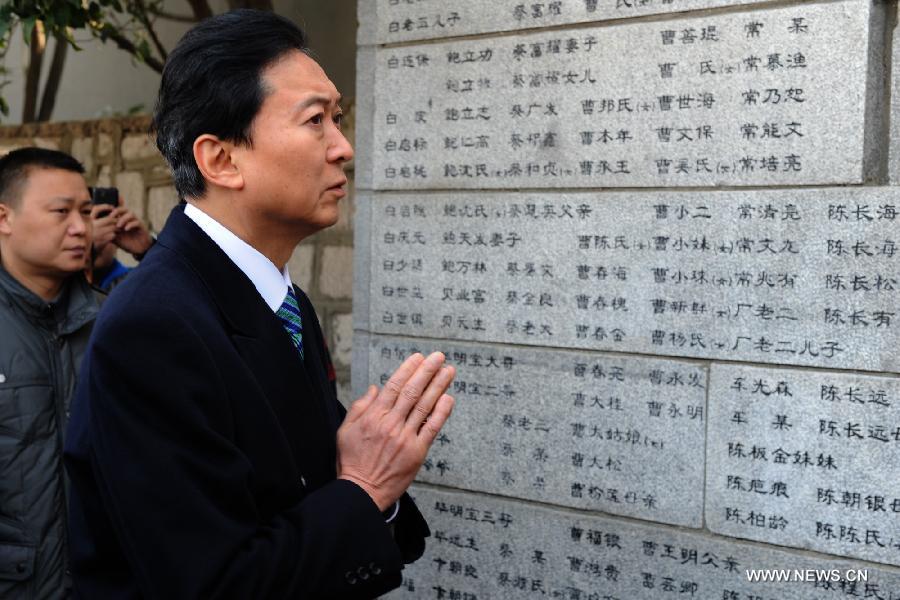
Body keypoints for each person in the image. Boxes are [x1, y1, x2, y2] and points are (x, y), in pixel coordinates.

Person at [65, 9, 456, 599]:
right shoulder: (152, 326)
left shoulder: (281, 300)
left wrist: (371, 487)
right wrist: (366, 488)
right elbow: (212, 583)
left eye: (339, 118)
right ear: (221, 159)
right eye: (315, 120)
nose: (343, 148)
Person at [0, 147, 99, 599]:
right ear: (4, 217)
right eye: (61, 212)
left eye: (85, 211)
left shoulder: (116, 324)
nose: (80, 228)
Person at [89, 198, 155, 291]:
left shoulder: (135, 281)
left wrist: (149, 251)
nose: (100, 240)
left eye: (106, 228)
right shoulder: (64, 281)